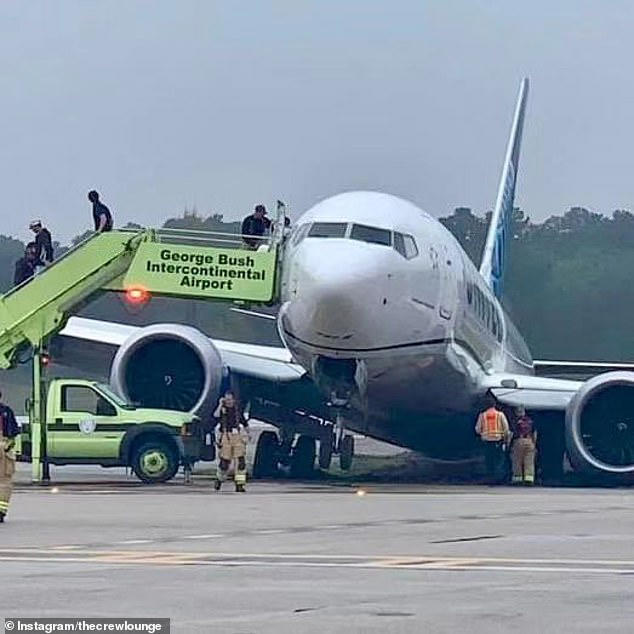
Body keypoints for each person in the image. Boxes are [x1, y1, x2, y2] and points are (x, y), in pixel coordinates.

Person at [213, 391, 249, 492]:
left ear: (233, 399)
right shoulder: (222, 410)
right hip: (226, 435)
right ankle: (219, 480)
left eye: (230, 399)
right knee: (225, 461)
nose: (228, 402)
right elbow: (215, 415)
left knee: (241, 461)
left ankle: (240, 484)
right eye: (226, 399)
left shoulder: (238, 411)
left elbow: (244, 423)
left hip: (237, 435)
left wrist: (248, 434)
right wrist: (220, 404)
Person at [475, 393, 511, 484]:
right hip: (498, 441)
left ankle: (490, 479)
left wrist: (484, 433)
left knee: (489, 461)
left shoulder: (482, 415)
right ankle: (498, 479)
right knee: (498, 461)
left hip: (487, 441)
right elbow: (506, 428)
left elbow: (478, 429)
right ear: (495, 404)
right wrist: (505, 439)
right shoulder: (500, 415)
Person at [0, 390, 19, 523]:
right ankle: (1, 511)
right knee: (4, 482)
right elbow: (13, 434)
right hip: (4, 449)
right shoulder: (6, 412)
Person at [510, 406, 537, 485]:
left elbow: (511, 433)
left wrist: (509, 443)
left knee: (517, 461)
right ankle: (529, 479)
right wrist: (534, 443)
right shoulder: (530, 421)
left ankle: (517, 479)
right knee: (529, 461)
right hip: (529, 441)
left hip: (518, 441)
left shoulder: (516, 421)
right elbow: (535, 433)